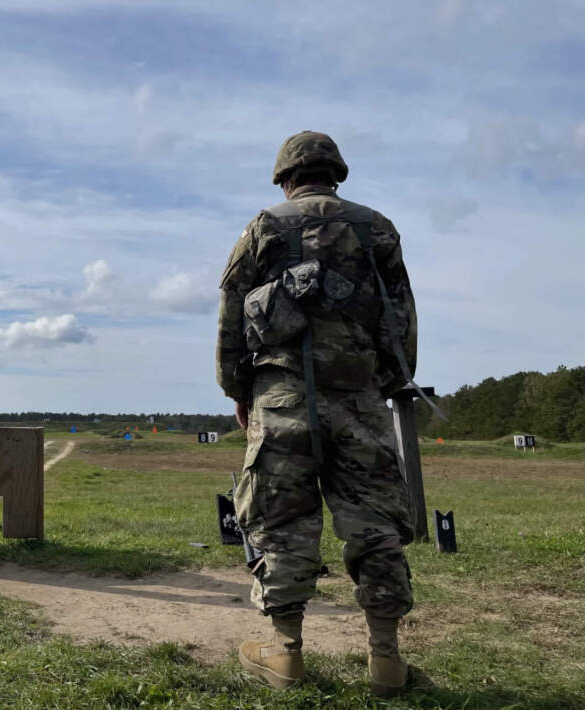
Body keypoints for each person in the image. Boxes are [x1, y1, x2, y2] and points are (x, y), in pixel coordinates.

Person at [216, 131, 417, 697]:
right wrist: (389, 383)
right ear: (336, 173)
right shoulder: (377, 228)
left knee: (281, 525)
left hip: (280, 400)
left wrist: (239, 390)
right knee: (375, 527)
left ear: (284, 177)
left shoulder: (262, 228)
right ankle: (386, 662)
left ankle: (285, 655)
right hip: (359, 398)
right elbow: (401, 315)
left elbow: (231, 318)